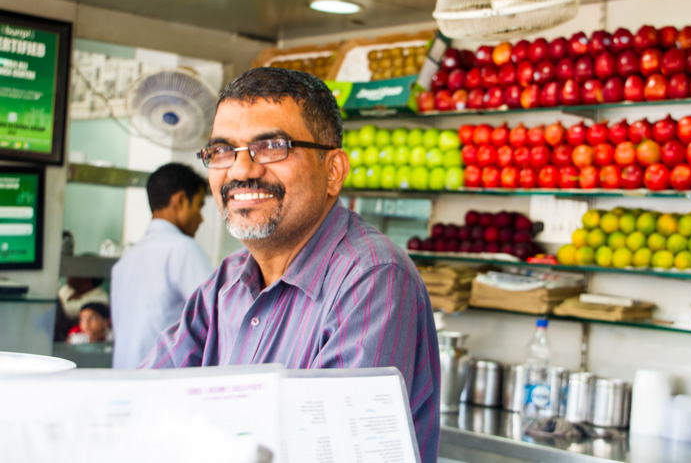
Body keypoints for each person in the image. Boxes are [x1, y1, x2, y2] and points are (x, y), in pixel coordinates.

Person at [140, 67, 441, 462]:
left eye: (271, 146)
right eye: (222, 151)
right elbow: (145, 400)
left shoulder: (370, 276)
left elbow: (331, 453)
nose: (242, 170)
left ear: (333, 171)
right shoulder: (226, 282)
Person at [111, 162, 213, 369]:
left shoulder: (124, 261)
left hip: (123, 381)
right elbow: (215, 319)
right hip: (162, 384)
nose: (201, 218)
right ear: (181, 201)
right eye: (199, 206)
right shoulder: (182, 249)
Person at [55, 276, 109, 341]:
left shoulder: (100, 299)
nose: (68, 275)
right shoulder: (67, 289)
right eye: (83, 319)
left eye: (93, 318)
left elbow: (66, 312)